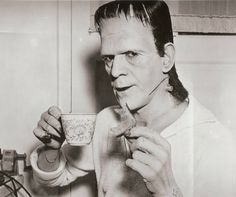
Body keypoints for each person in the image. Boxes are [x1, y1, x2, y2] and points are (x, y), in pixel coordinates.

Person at [30, 1, 236, 196]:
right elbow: (57, 176)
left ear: (166, 58)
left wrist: (167, 190)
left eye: (131, 54)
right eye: (109, 58)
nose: (115, 71)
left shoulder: (217, 146)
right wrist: (51, 147)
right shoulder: (107, 122)